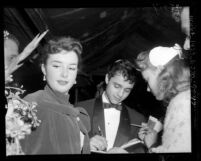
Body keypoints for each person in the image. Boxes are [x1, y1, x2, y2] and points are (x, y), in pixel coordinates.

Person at [20, 36, 91, 154]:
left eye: (71, 68)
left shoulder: (74, 113)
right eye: (57, 66)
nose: (65, 74)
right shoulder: (32, 105)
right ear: (44, 69)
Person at [76, 59, 147, 153]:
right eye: (117, 86)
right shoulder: (80, 109)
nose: (120, 94)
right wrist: (83, 145)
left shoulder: (138, 119)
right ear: (107, 79)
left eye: (127, 90)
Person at [135, 43, 191, 152]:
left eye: (147, 80)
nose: (147, 88)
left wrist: (151, 145)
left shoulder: (181, 103)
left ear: (160, 71)